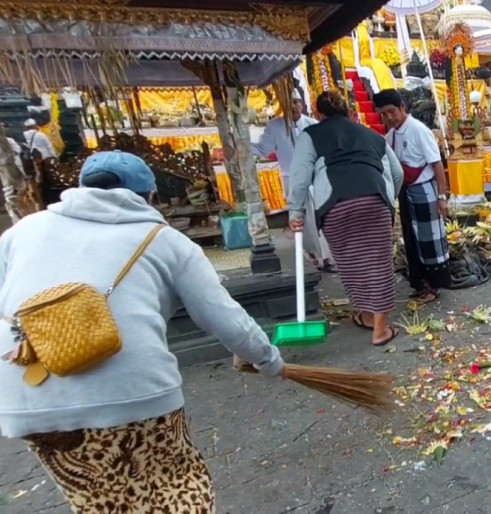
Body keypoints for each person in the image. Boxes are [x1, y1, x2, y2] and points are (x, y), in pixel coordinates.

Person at [0, 150, 284, 513]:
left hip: (27, 394)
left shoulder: (21, 231)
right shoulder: (164, 240)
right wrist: (267, 360)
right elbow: (224, 316)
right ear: (149, 195)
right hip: (129, 394)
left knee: (104, 503)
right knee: (175, 492)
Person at [288, 91, 404, 346]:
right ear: (349, 112)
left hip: (335, 203)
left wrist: (295, 212)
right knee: (379, 262)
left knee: (353, 263)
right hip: (374, 199)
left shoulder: (311, 135)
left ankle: (369, 317)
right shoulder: (372, 135)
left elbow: (299, 176)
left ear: (317, 114)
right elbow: (397, 173)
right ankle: (378, 326)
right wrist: (387, 199)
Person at [374, 88, 451, 304]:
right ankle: (420, 284)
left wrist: (441, 197)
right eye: (383, 114)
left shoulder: (418, 130)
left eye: (391, 111)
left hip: (425, 190)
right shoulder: (390, 136)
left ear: (402, 107)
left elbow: (437, 164)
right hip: (405, 192)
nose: (389, 118)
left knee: (429, 239)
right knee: (412, 239)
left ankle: (434, 286)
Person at [253, 89, 335, 272]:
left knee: (322, 215)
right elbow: (262, 148)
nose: (294, 106)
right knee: (302, 220)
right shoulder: (275, 126)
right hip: (292, 178)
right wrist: (238, 146)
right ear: (282, 106)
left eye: (297, 101)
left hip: (316, 178)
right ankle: (313, 256)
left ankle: (329, 256)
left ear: (302, 104)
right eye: (289, 102)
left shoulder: (313, 124)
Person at [1, 135, 28, 222]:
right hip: (5, 170)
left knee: (15, 191)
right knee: (9, 193)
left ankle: (20, 213)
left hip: (11, 166)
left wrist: (11, 155)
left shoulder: (8, 140)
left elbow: (17, 149)